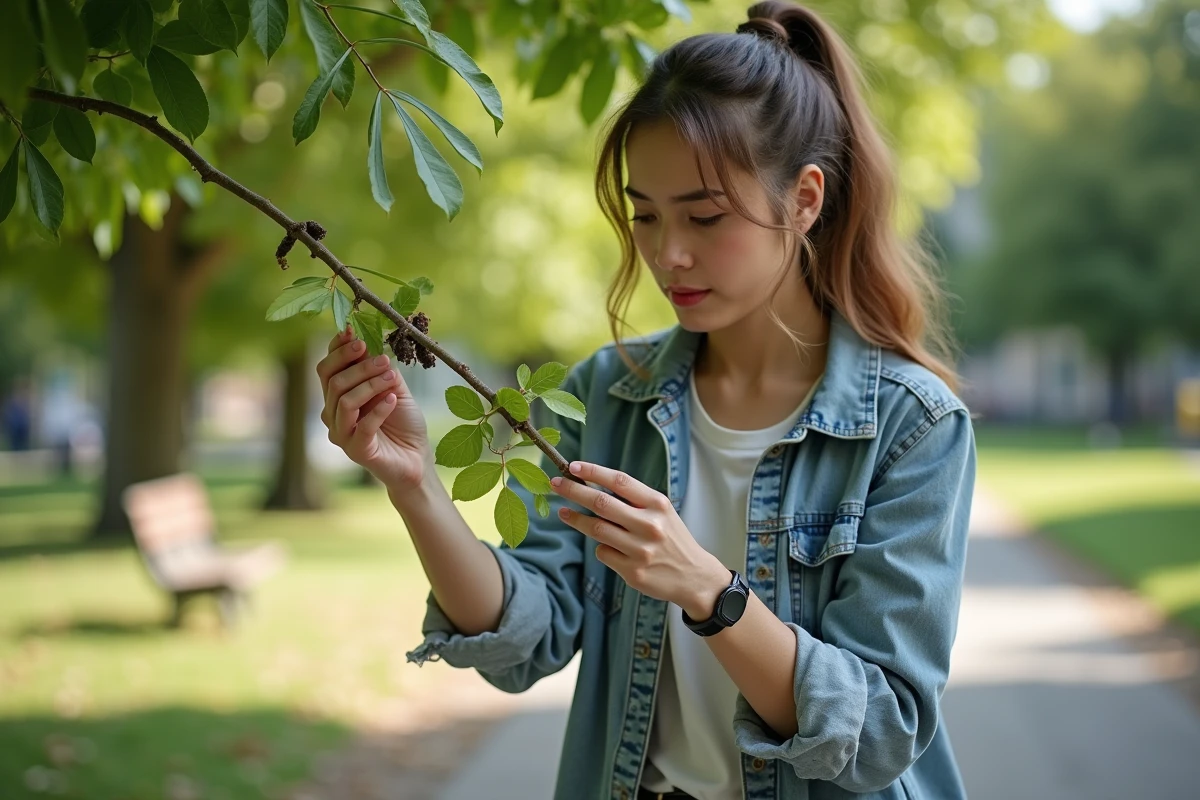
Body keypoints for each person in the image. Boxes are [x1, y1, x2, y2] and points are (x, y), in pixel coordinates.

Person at [316, 2, 977, 798]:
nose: (669, 253)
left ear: (804, 200)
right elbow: (530, 634)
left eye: (705, 215)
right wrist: (414, 482)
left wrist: (706, 588)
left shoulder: (913, 425)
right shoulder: (609, 393)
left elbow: (879, 730)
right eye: (645, 215)